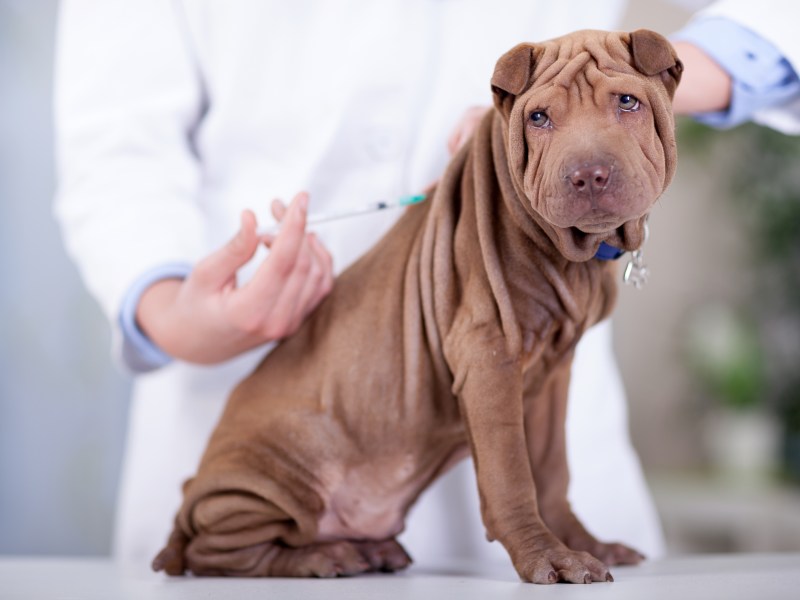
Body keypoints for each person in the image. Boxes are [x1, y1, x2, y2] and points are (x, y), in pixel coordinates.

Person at [54, 0, 799, 570]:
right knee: (248, 509)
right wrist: (172, 310)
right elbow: (114, 149)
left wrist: (670, 79)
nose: (588, 154)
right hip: (260, 380)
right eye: (541, 118)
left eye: (627, 105)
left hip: (556, 336)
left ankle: (548, 514)